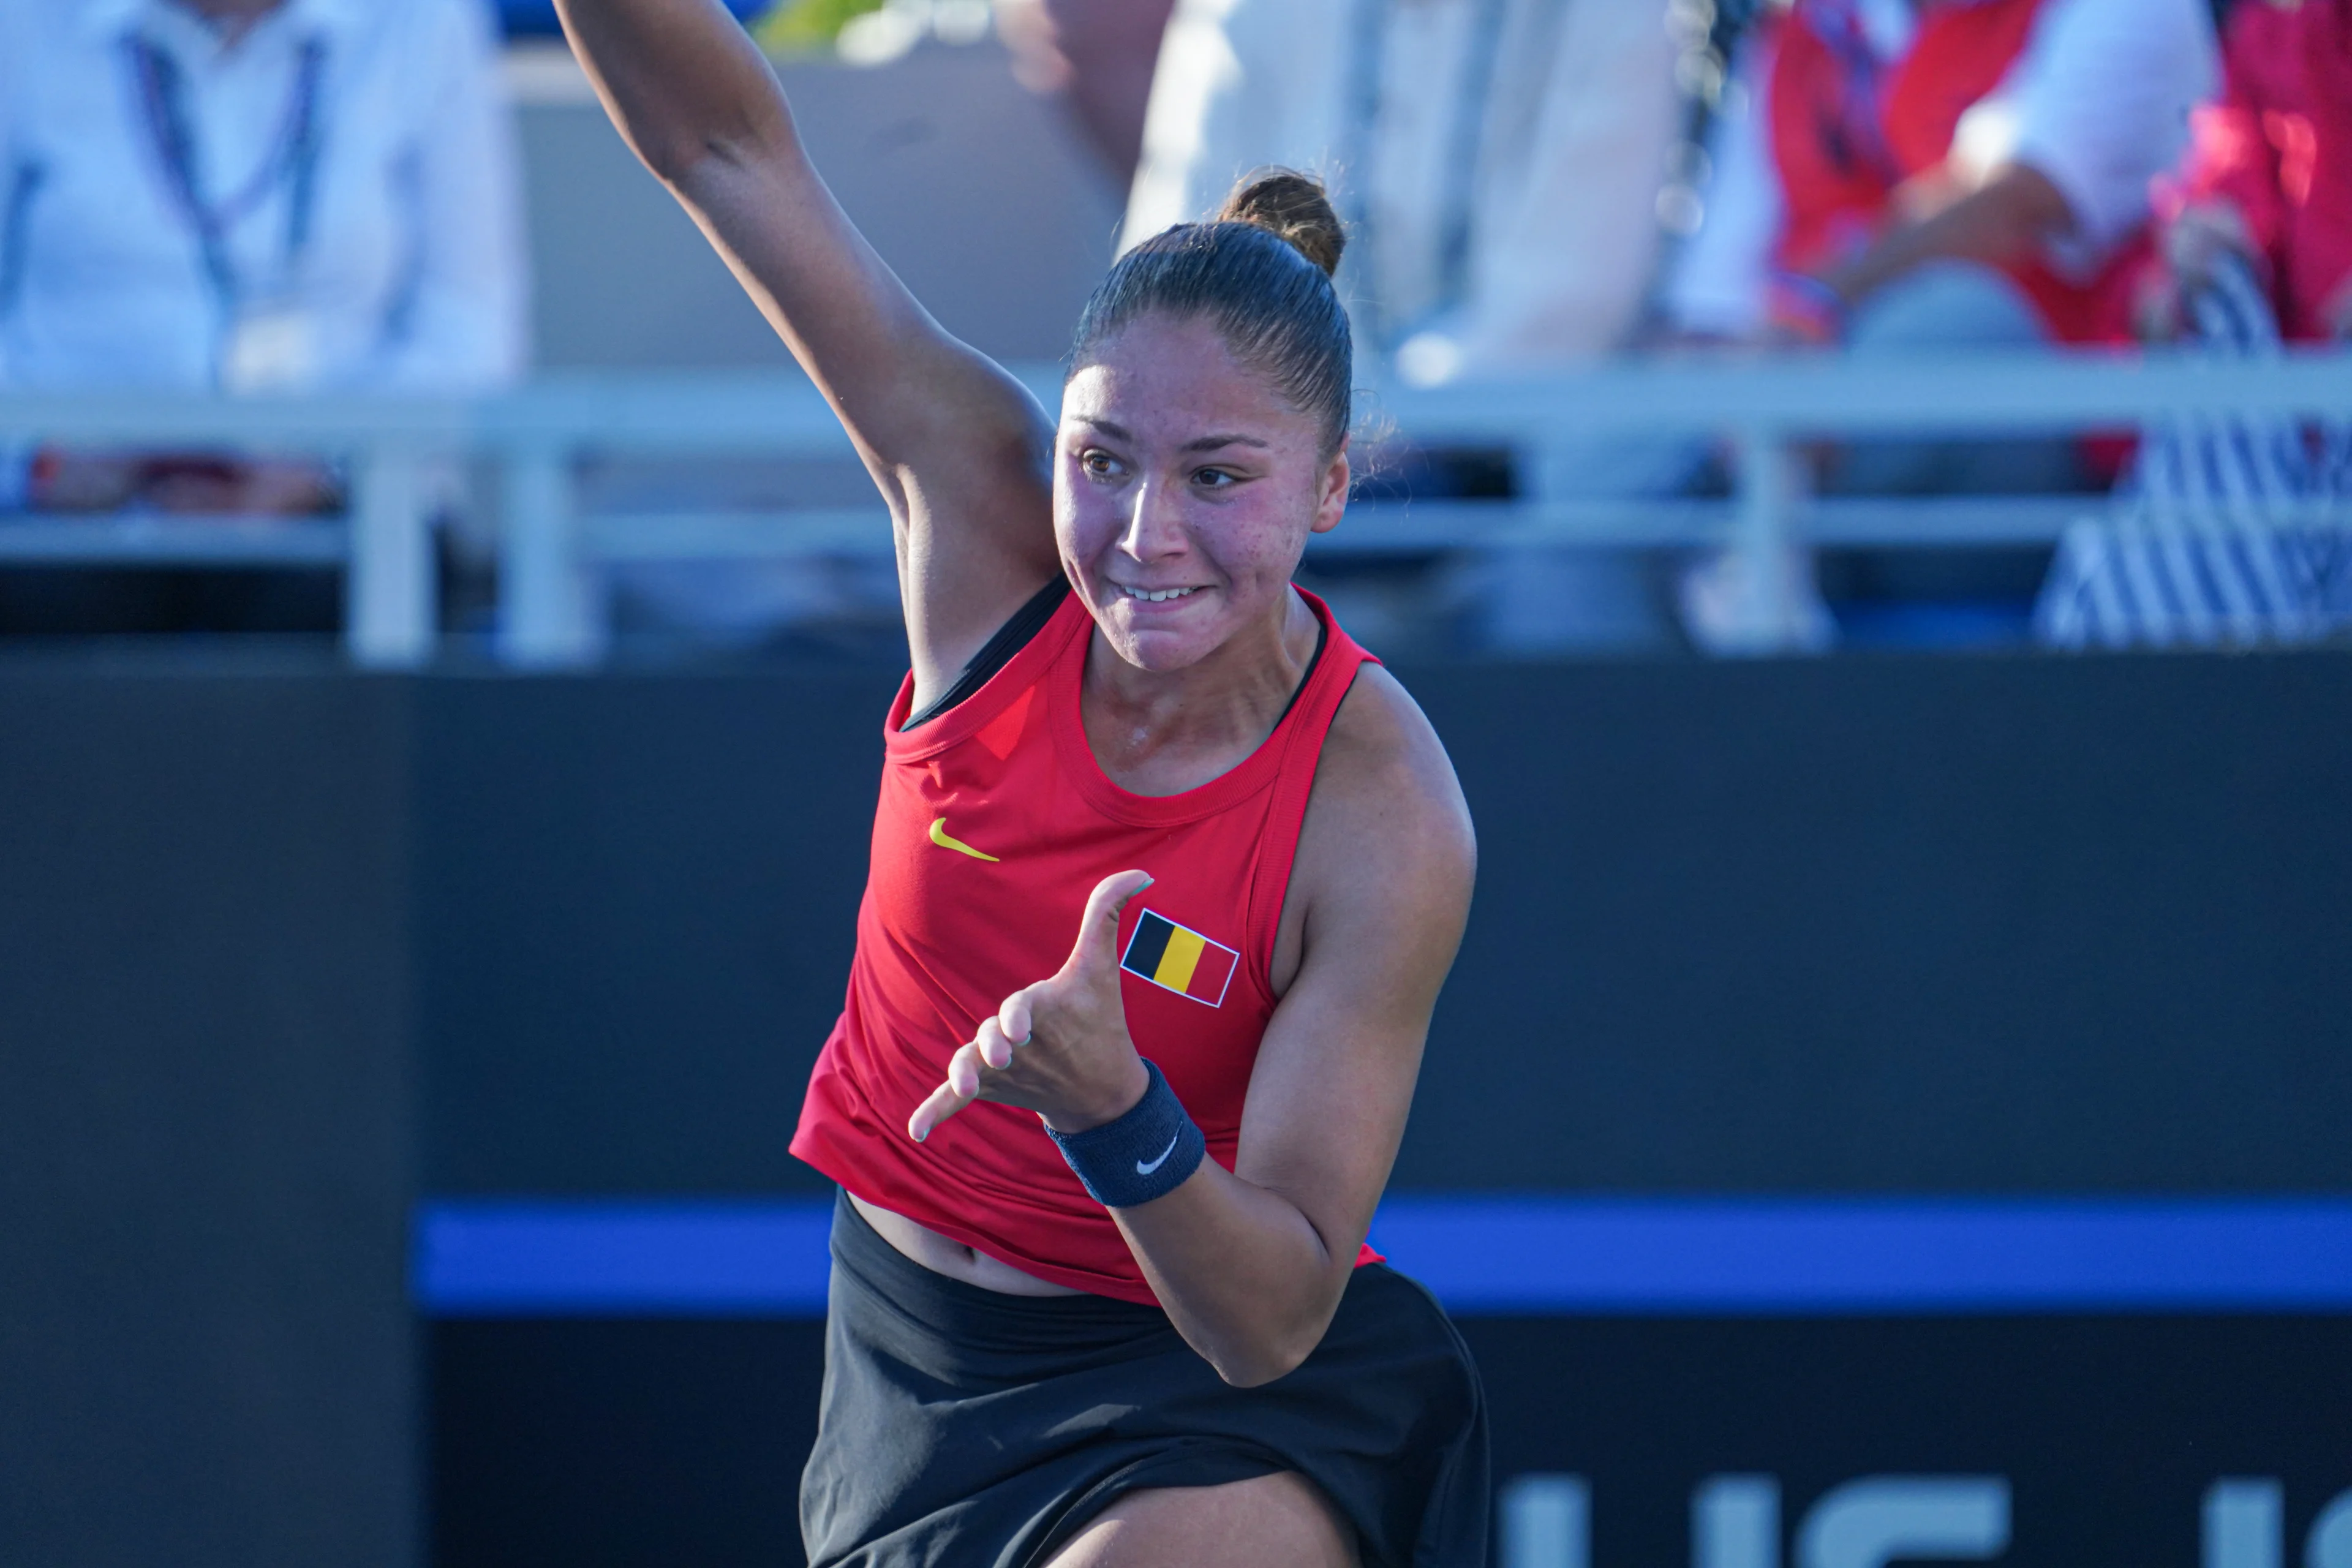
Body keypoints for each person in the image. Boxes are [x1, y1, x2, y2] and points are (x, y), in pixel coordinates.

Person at [555, 1, 1487, 1563]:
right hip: (907, 1363)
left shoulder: (1382, 806)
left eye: (1219, 477)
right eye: (1100, 455)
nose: (1142, 532)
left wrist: (1112, 1106)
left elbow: (1268, 1318)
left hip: (1211, 1394)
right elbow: (722, 147)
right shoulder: (980, 524)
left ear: (1330, 487)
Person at [1125, 0, 1687, 652]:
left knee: (1561, 601)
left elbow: (1576, 294)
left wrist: (1376, 440)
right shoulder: (1241, 12)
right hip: (1287, 477)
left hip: (1540, 482)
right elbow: (1180, 274)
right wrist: (1308, 440)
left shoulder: (1619, 14)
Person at [0, 0, 527, 518]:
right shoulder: (25, 21)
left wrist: (328, 475)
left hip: (342, 530)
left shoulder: (421, 20)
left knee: (339, 587)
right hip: (62, 526)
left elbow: (469, 330)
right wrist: (37, 461)